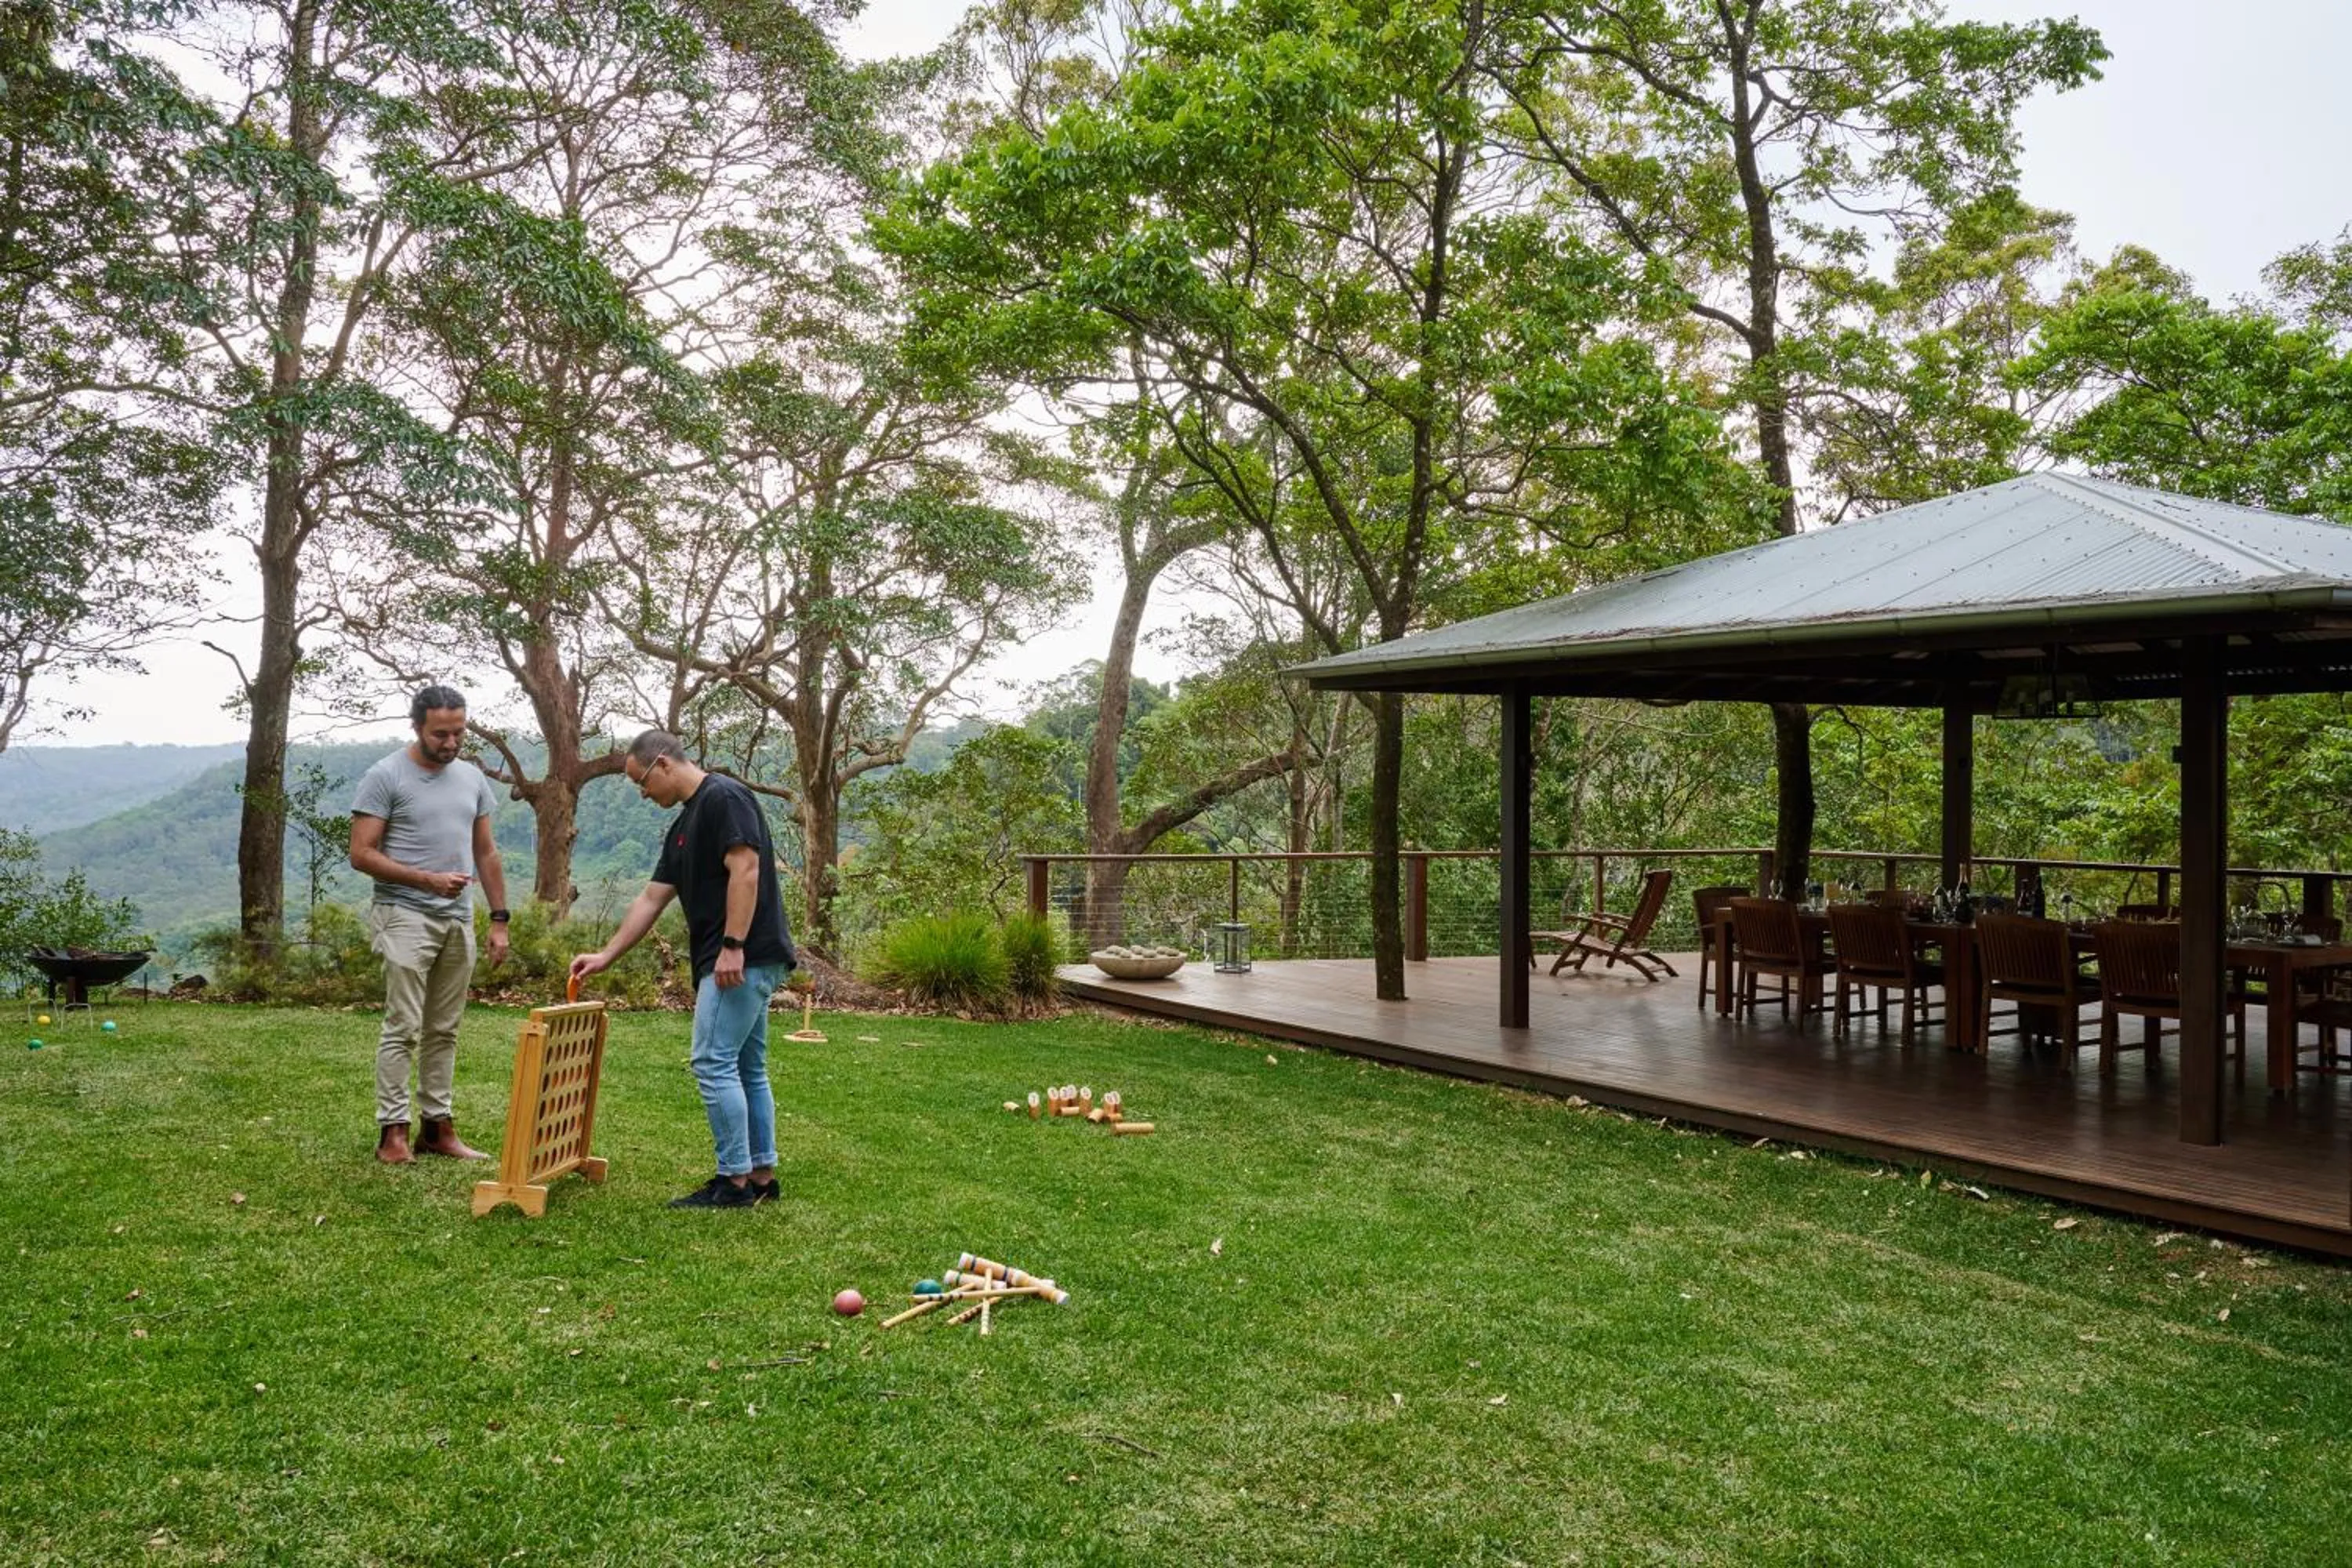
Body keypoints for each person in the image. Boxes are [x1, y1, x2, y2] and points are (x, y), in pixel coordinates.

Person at [570, 730, 797, 1209]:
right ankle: (759, 1176)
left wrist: (733, 945)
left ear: (663, 765)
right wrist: (607, 954)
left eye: (641, 782)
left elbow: (746, 869)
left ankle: (733, 1181)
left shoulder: (724, 797)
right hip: (745, 955)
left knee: (712, 1062)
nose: (642, 793)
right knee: (746, 1067)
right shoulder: (684, 824)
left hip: (742, 955)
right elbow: (653, 897)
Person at [349, 684, 510, 1164]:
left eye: (459, 732)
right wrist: (426, 881)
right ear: (417, 726)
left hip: (458, 920)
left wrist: (499, 919)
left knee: (445, 1028)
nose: (452, 742)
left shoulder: (471, 779)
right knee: (404, 1026)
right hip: (404, 915)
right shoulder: (384, 776)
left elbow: (486, 852)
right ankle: (392, 1133)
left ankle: (437, 1129)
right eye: (441, 733)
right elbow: (361, 854)